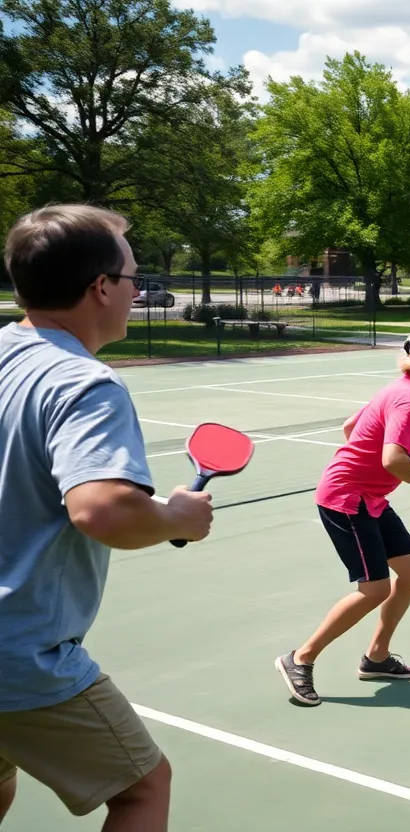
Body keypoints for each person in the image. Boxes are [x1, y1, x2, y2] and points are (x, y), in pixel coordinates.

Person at [0, 205, 214, 830]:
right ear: (101, 287)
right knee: (144, 788)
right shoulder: (84, 384)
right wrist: (175, 516)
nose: (136, 291)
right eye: (133, 279)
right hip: (20, 653)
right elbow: (102, 508)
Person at [275, 328, 410, 706]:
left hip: (370, 497)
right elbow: (393, 459)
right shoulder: (407, 400)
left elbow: (351, 427)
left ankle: (377, 657)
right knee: (375, 588)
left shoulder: (403, 392)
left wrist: (365, 464)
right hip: (347, 499)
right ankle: (300, 658)